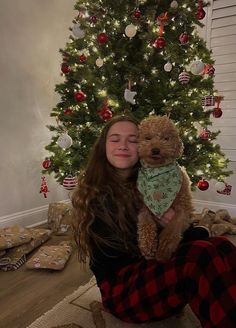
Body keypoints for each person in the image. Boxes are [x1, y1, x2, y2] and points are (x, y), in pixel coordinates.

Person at [72, 115, 236, 327]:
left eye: (132, 139)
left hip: (155, 271)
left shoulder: (150, 181)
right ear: (103, 146)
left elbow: (176, 238)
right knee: (199, 256)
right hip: (123, 290)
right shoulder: (96, 194)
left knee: (221, 245)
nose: (123, 145)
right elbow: (145, 251)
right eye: (115, 139)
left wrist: (184, 228)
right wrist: (180, 229)